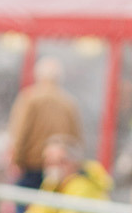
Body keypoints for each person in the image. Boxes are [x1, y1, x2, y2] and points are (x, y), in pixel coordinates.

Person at [6, 58, 85, 194]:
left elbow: (19, 134)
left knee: (26, 206)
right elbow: (76, 139)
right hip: (58, 169)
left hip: (31, 165)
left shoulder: (29, 99)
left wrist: (17, 160)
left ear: (38, 76)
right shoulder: (69, 103)